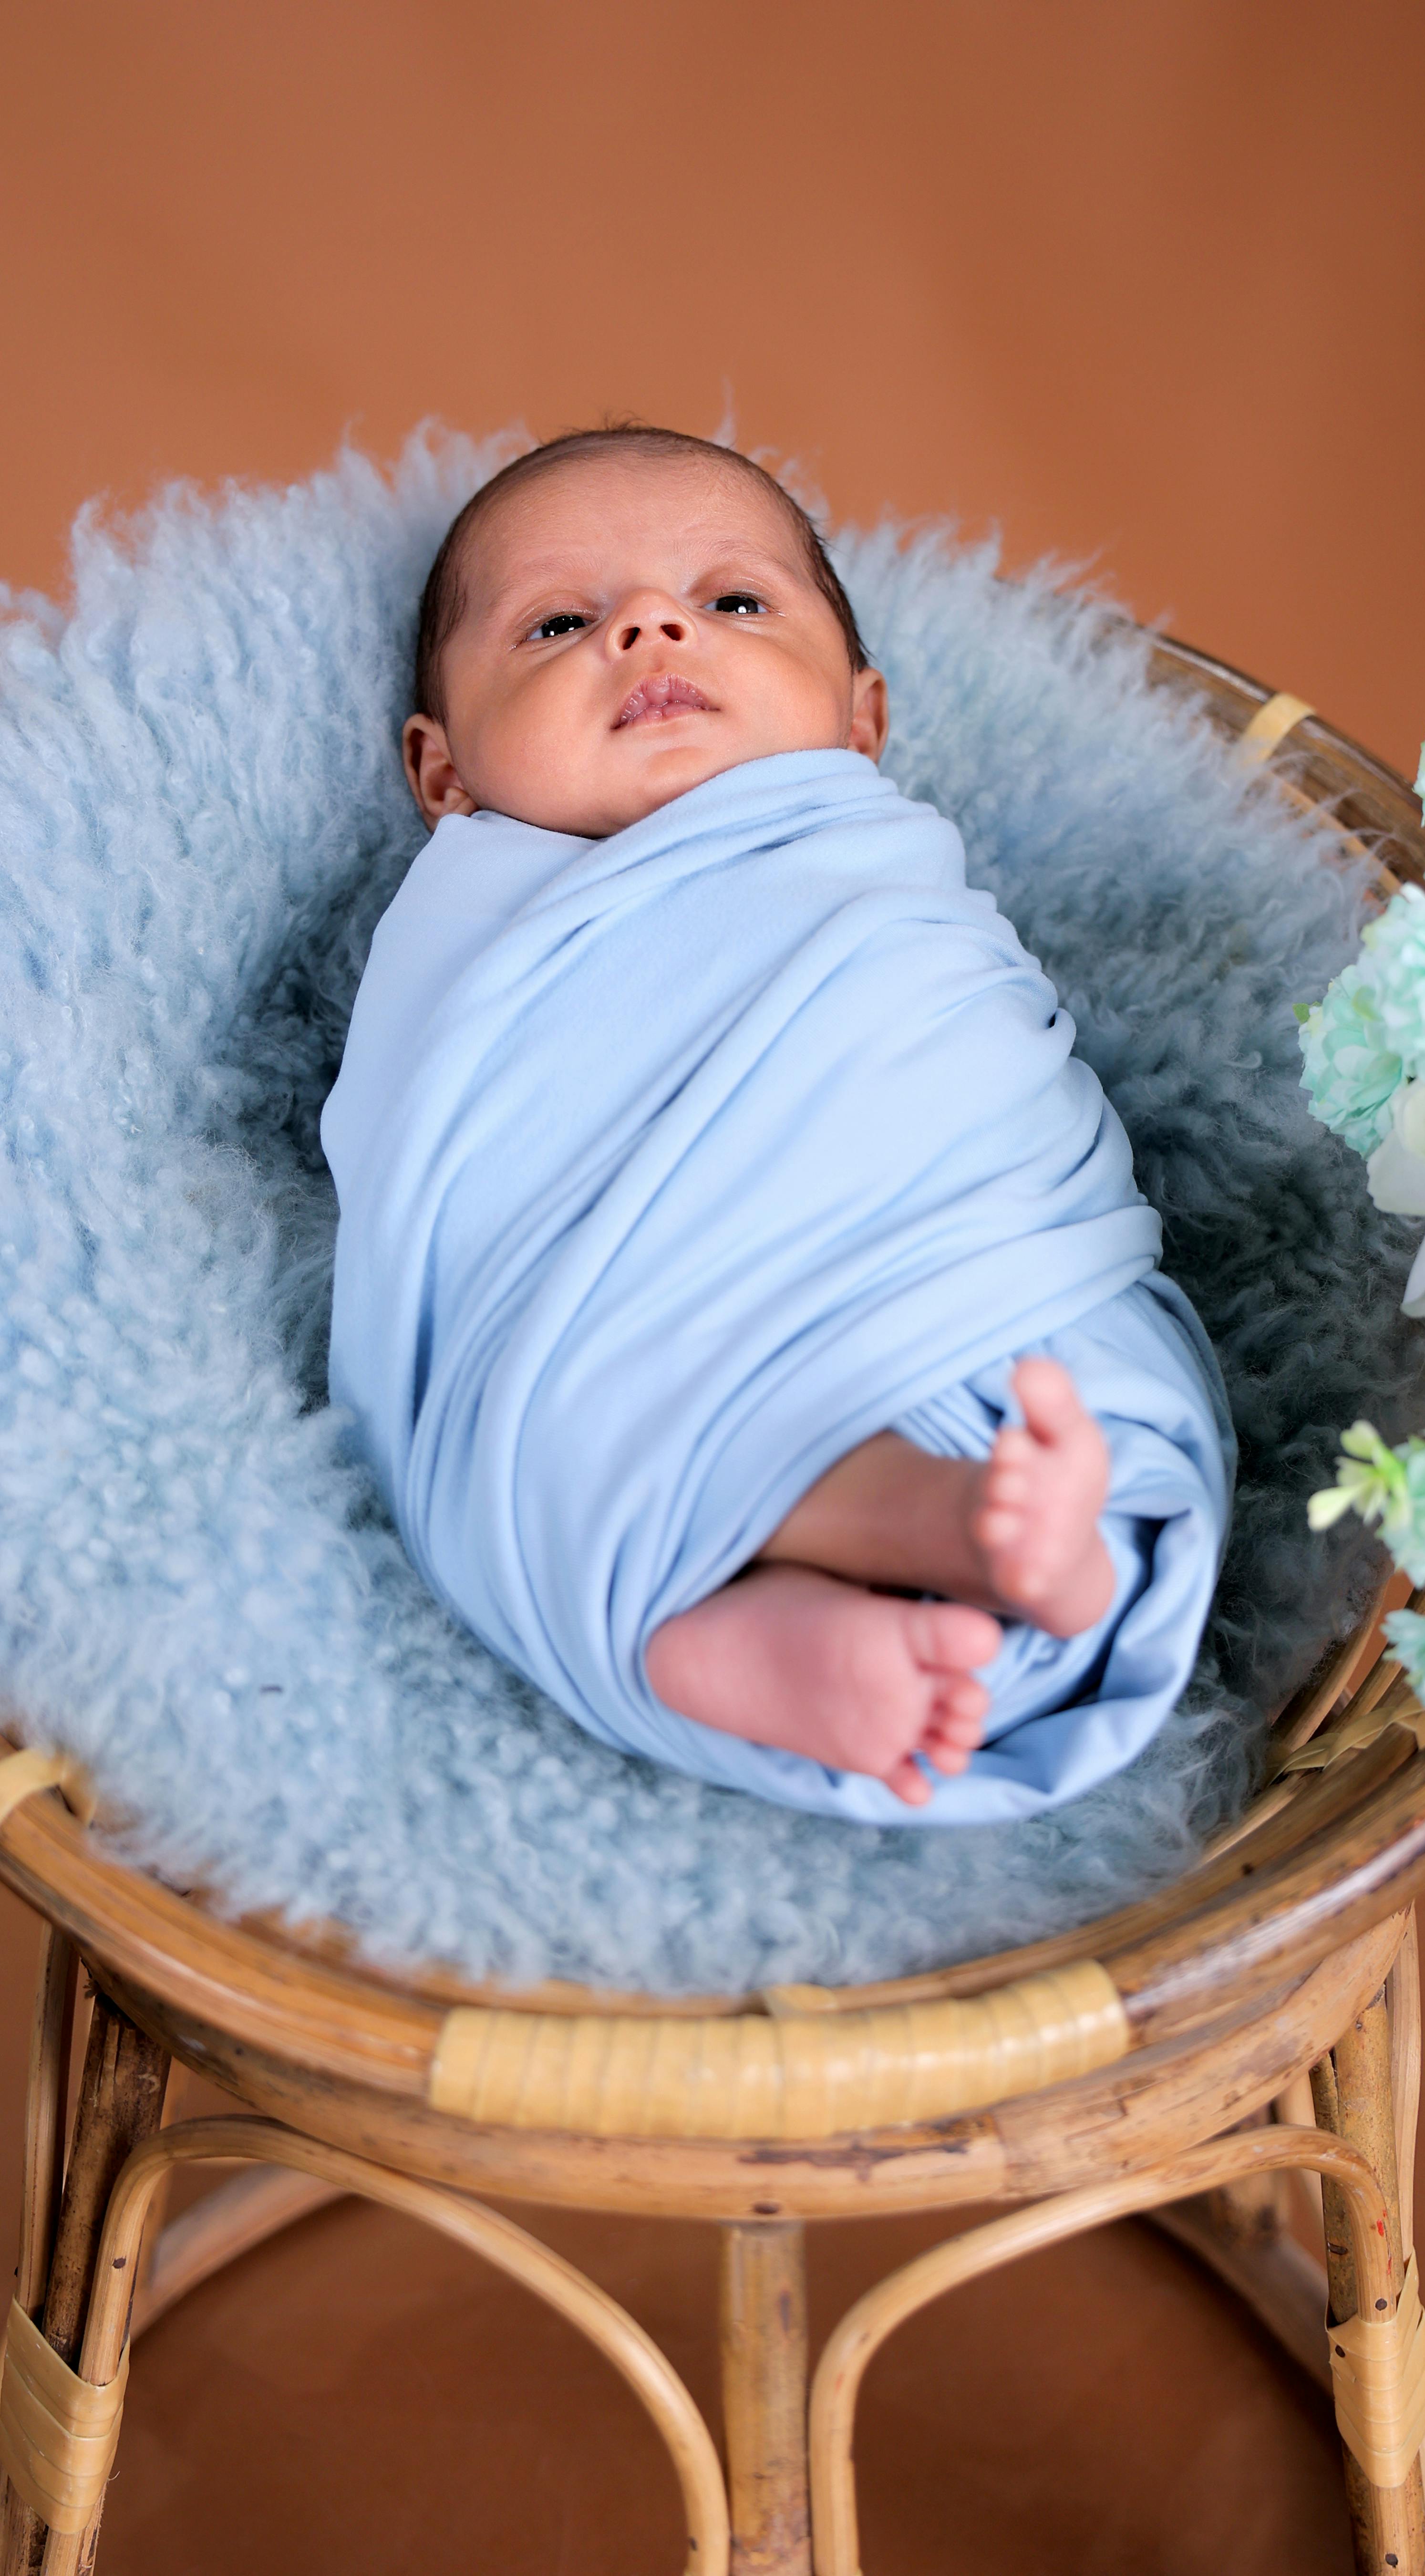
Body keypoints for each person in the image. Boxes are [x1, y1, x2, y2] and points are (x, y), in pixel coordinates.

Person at [322, 426, 1233, 1818]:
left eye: (735, 602)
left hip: (954, 1265)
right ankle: (878, 1557)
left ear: (859, 723)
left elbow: (976, 1081)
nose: (651, 624)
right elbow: (434, 1188)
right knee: (571, 1415)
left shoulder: (878, 872)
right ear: (442, 774)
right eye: (560, 623)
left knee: (1100, 1402)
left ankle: (972, 1561)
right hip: (618, 1328)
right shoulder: (473, 919)